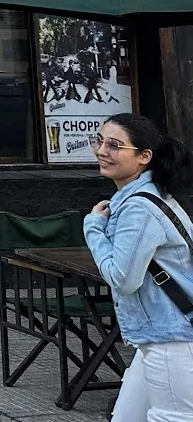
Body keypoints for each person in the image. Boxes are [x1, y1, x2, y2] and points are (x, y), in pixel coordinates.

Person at [83, 113, 193, 422]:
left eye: (115, 145)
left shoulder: (139, 208)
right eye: (100, 141)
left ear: (144, 157)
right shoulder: (142, 198)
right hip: (161, 333)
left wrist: (93, 228)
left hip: (173, 335)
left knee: (173, 417)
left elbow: (122, 277)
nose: (102, 151)